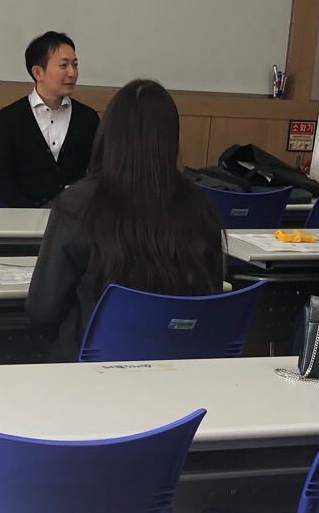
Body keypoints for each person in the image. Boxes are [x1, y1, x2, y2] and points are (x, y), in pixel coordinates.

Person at [26, 78, 225, 360]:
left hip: (91, 370)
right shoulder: (201, 207)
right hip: (179, 368)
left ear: (108, 134)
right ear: (170, 139)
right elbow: (210, 301)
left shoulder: (78, 204)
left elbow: (43, 310)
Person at [0, 31, 100, 207]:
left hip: (77, 215)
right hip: (25, 216)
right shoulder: (8, 120)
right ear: (38, 72)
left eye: (75, 65)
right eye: (63, 65)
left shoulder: (88, 118)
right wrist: (32, 213)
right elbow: (2, 181)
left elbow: (99, 172)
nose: (72, 73)